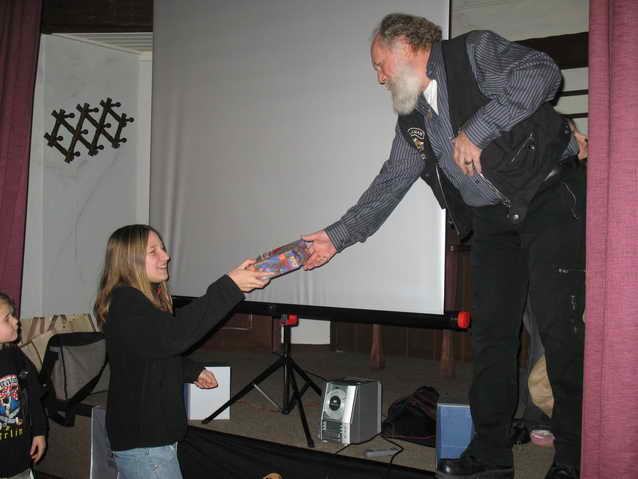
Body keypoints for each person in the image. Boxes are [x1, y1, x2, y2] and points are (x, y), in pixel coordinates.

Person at [302, 13, 585, 479]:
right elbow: (391, 181)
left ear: (405, 47)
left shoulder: (472, 53)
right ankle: (491, 456)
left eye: (379, 65)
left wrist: (477, 130)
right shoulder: (413, 118)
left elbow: (542, 73)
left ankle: (574, 458)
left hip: (548, 199)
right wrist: (337, 237)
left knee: (560, 332)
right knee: (491, 338)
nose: (379, 78)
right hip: (493, 222)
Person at [94, 224, 273, 479]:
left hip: (149, 440)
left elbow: (150, 352)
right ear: (128, 260)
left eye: (163, 248)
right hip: (145, 445)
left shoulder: (136, 301)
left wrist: (190, 370)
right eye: (153, 251)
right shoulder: (126, 302)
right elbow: (174, 336)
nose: (166, 256)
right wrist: (230, 286)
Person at [0, 292, 47, 479]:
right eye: (7, 318)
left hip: (19, 458)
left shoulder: (16, 357)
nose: (16, 321)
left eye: (13, 315)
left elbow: (34, 396)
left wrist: (39, 432)